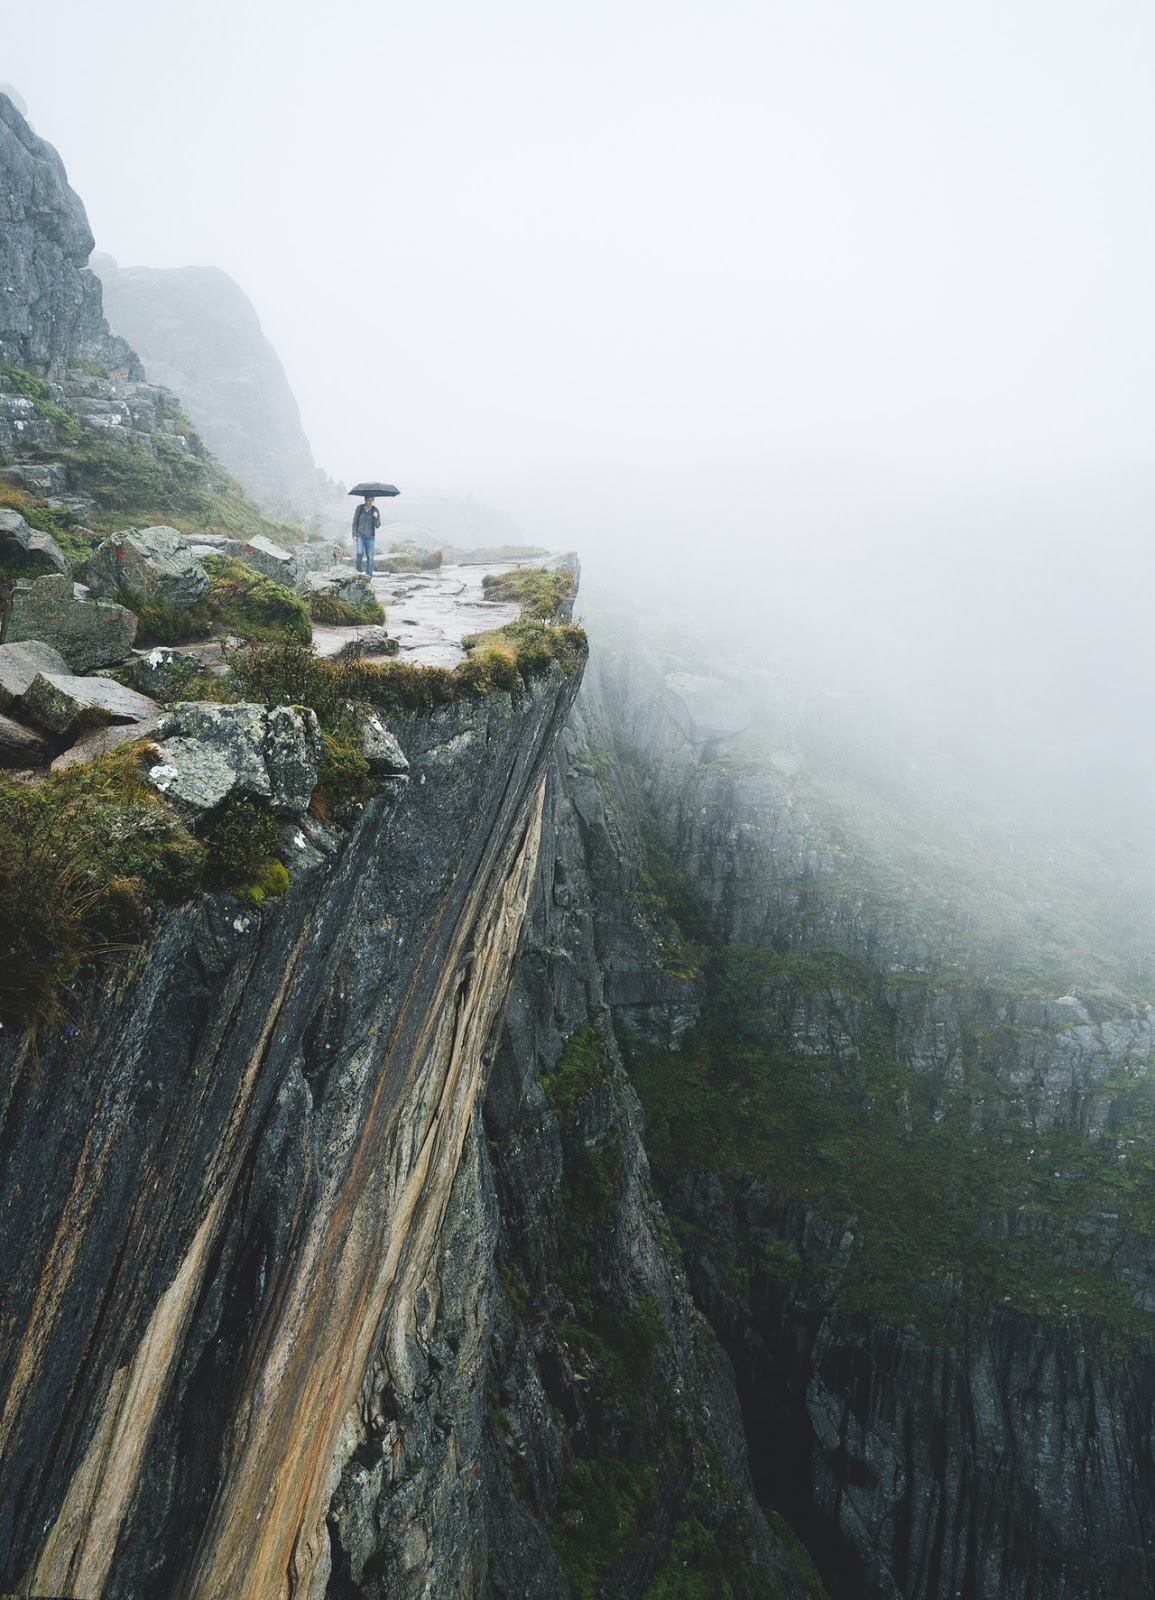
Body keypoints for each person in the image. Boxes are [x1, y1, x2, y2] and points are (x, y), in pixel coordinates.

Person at [352, 494, 381, 576]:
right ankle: (358, 573)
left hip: (370, 537)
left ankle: (369, 576)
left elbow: (378, 525)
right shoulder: (360, 508)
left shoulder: (375, 510)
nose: (370, 502)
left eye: (372, 500)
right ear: (365, 500)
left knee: (370, 558)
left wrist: (375, 517)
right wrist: (354, 534)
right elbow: (355, 522)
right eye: (368, 500)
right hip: (360, 535)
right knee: (359, 553)